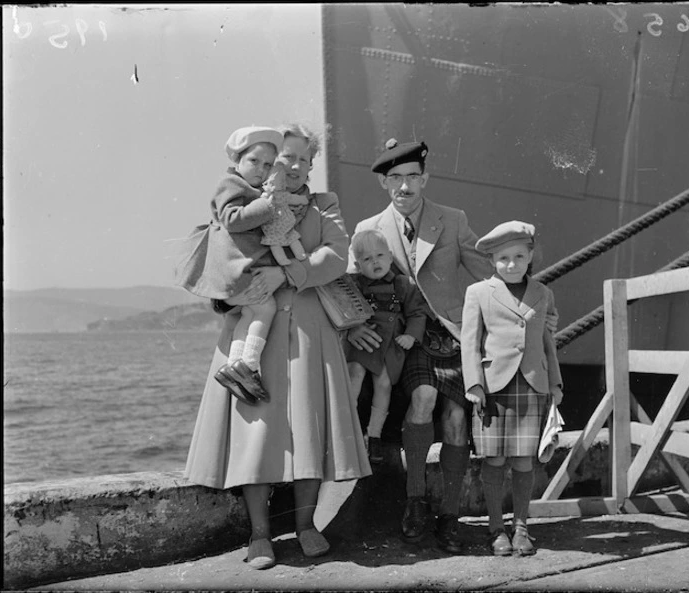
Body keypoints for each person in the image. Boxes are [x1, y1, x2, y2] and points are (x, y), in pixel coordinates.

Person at [184, 123, 372, 570]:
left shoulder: (324, 204)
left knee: (308, 430)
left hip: (310, 331)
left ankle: (306, 526)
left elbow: (336, 255)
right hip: (253, 332)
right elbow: (217, 252)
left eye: (302, 159)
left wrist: (286, 274)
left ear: (311, 165)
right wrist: (232, 291)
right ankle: (260, 535)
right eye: (284, 156)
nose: (291, 165)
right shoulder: (247, 197)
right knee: (256, 432)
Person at [346, 138, 495, 554]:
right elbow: (347, 288)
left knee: (455, 419)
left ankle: (450, 513)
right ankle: (415, 502)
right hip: (401, 339)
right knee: (424, 399)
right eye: (395, 178)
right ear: (384, 183)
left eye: (413, 177)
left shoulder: (453, 219)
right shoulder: (366, 231)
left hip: (451, 334)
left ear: (425, 178)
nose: (405, 187)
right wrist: (354, 326)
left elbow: (488, 274)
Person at [175, 126, 309, 405]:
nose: (261, 170)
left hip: (242, 268)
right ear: (236, 160)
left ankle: (234, 367)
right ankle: (249, 365)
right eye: (253, 161)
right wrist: (267, 206)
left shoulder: (256, 189)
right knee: (265, 308)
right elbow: (232, 219)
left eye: (268, 165)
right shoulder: (232, 184)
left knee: (248, 317)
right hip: (235, 268)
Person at [462, 220, 564, 557]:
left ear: (531, 256)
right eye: (503, 258)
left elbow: (548, 343)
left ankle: (521, 527)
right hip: (493, 389)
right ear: (492, 261)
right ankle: (496, 528)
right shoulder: (477, 293)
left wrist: (555, 385)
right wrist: (474, 384)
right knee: (495, 459)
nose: (511, 264)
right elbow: (470, 342)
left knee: (523, 461)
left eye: (519, 256)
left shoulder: (543, 293)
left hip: (532, 387)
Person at [346, 229, 429, 463]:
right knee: (353, 375)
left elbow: (417, 313)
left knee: (383, 384)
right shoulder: (354, 284)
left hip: (390, 344)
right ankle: (348, 429)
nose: (375, 262)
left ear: (390, 257)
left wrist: (411, 336)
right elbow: (341, 306)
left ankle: (374, 435)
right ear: (357, 264)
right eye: (367, 259)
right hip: (363, 340)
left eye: (380, 256)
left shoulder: (403, 284)